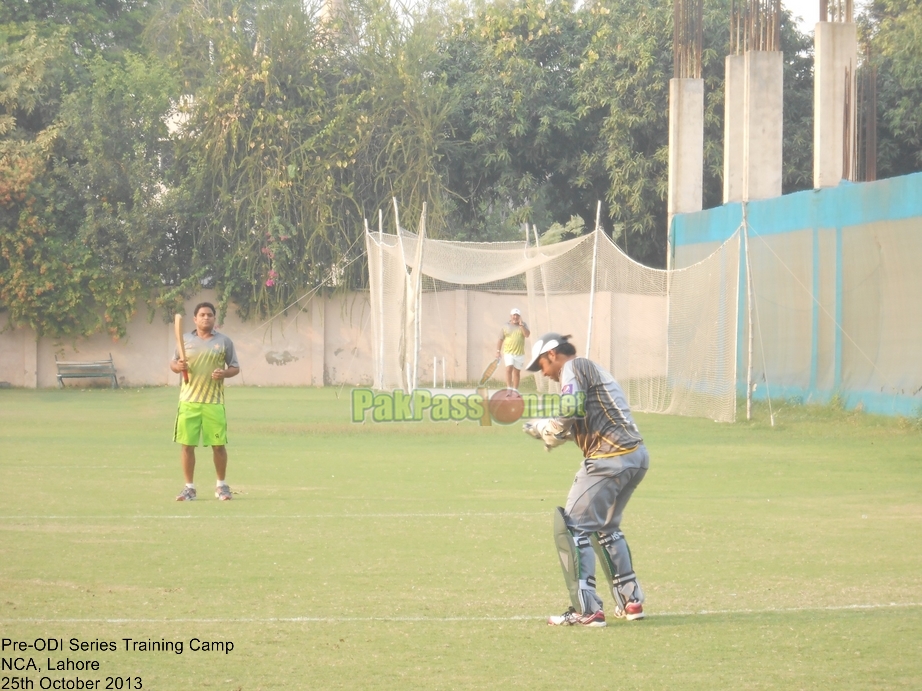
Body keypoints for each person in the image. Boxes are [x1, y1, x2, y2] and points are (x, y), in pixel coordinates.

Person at [523, 333, 648, 627]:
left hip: (609, 459)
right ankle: (631, 602)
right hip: (636, 456)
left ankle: (587, 610)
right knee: (606, 528)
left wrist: (549, 428)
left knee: (573, 528)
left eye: (541, 364)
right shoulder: (589, 370)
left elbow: (569, 409)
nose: (543, 373)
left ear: (553, 354)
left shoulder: (573, 367)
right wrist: (548, 430)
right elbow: (581, 417)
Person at [171, 302, 240, 501]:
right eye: (202, 315)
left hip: (214, 402)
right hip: (188, 402)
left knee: (218, 446)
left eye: (209, 315)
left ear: (214, 318)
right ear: (195, 319)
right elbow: (173, 363)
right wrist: (179, 366)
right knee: (187, 445)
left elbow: (235, 367)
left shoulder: (224, 342)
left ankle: (221, 486)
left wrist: (224, 373)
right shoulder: (184, 341)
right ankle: (189, 488)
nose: (206, 318)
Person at [495, 308, 530, 390]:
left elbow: (527, 335)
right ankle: (509, 389)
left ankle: (515, 391)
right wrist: (498, 351)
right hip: (508, 352)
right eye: (514, 315)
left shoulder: (523, 325)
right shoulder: (506, 326)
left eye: (517, 315)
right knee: (509, 368)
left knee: (517, 372)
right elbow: (500, 339)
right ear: (511, 316)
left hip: (519, 353)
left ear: (519, 317)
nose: (515, 317)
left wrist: (521, 326)